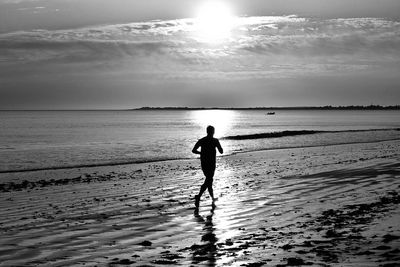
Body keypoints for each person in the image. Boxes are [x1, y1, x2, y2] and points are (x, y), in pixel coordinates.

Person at [192, 125, 223, 208]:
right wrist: (218, 147)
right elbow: (221, 151)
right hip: (211, 163)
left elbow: (194, 150)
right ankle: (199, 196)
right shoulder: (215, 141)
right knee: (209, 180)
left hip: (204, 163)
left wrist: (201, 153)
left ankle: (211, 198)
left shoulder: (202, 140)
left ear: (207, 131)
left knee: (209, 180)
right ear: (213, 132)